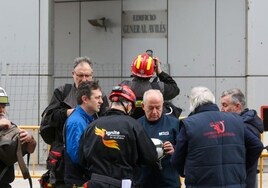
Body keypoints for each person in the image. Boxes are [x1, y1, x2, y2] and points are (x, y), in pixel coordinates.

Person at [171, 86, 263, 188]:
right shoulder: (236, 120)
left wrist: (186, 173)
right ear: (212, 100)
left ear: (192, 103)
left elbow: (176, 160)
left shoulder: (189, 124)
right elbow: (256, 145)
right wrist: (241, 167)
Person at [41, 56, 109, 187]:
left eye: (87, 75)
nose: (84, 79)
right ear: (73, 74)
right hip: (62, 155)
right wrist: (67, 113)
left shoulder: (99, 96)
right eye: (80, 75)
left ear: (92, 75)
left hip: (89, 156)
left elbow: (106, 120)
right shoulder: (62, 92)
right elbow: (48, 117)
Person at [79, 85, 158, 188]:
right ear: (129, 105)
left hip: (95, 183)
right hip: (123, 183)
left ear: (111, 103)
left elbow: (81, 159)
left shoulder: (91, 127)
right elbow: (151, 156)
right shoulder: (133, 125)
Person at [136, 89, 181, 188]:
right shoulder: (136, 126)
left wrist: (174, 149)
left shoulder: (174, 124)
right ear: (143, 106)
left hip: (169, 182)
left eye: (158, 107)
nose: (155, 112)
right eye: (151, 108)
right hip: (144, 182)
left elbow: (186, 151)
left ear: (163, 105)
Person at [220, 88, 264, 188]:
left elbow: (256, 147)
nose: (221, 109)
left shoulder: (244, 126)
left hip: (242, 181)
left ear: (238, 106)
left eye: (225, 105)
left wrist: (241, 167)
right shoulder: (246, 123)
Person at [64, 80, 103, 187]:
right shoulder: (77, 122)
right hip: (78, 179)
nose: (101, 101)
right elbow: (76, 156)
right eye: (97, 98)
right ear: (85, 99)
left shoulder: (86, 119)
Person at [121, 51, 180, 119]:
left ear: (133, 69)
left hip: (128, 127)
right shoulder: (158, 88)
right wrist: (160, 72)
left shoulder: (124, 86)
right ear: (153, 70)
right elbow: (175, 89)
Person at [0, 87, 36, 188]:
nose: (1, 110)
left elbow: (31, 149)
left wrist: (30, 139)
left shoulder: (9, 127)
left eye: (3, 106)